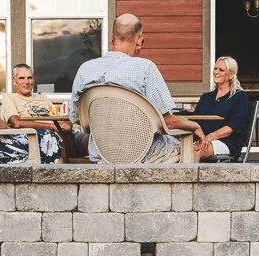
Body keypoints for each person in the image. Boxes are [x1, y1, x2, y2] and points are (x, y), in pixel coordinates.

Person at [69, 13, 204, 162]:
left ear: (112, 40)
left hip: (104, 155)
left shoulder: (85, 69)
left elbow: (77, 120)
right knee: (195, 149)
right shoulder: (146, 68)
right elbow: (168, 122)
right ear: (140, 41)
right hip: (146, 154)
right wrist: (194, 125)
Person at [193, 56, 251, 160]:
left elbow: (233, 127)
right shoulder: (206, 97)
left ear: (231, 75)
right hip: (202, 139)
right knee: (178, 151)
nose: (216, 72)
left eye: (221, 70)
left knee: (193, 152)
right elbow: (196, 121)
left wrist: (209, 137)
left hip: (226, 142)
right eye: (215, 69)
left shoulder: (239, 97)